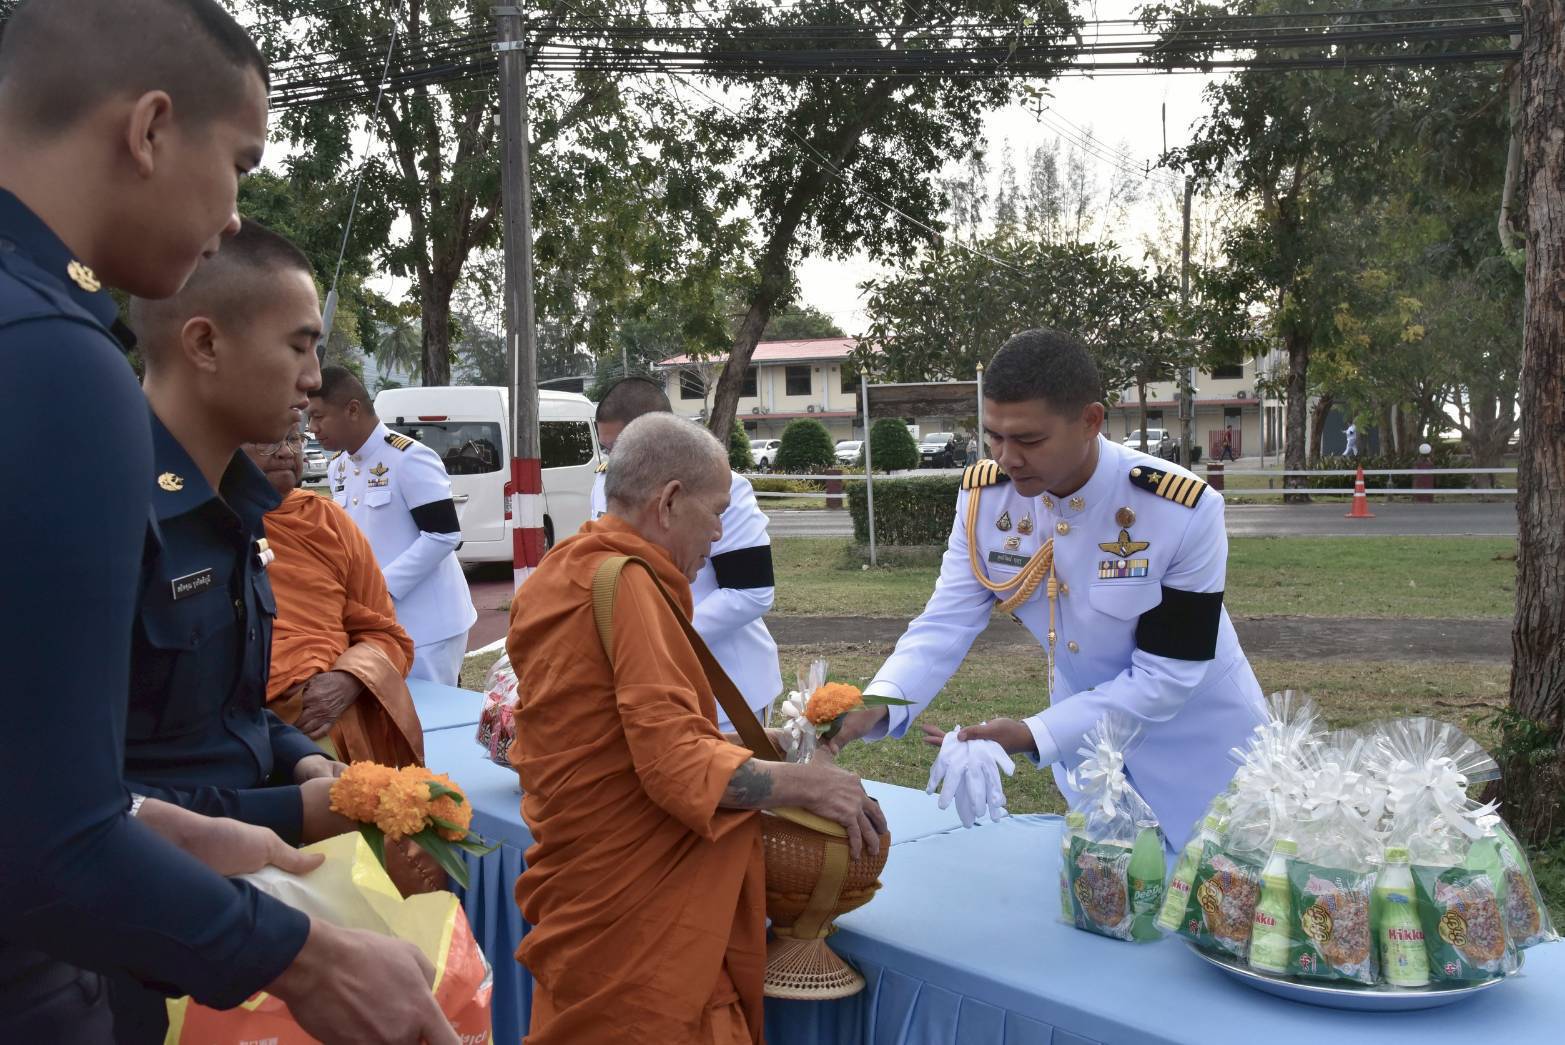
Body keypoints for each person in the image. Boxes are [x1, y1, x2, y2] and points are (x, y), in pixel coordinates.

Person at [0, 2, 456, 1043]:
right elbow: (45, 836)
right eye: (240, 164)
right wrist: (307, 957)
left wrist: (157, 820)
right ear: (150, 129)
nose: (233, 213)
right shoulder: (51, 358)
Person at [510, 413, 885, 1044]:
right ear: (669, 502)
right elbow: (675, 768)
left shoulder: (559, 569)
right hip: (636, 916)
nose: (717, 533)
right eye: (715, 513)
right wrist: (812, 786)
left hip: (590, 886)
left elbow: (620, 744)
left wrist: (772, 749)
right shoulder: (628, 585)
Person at [826, 330, 1267, 848]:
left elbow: (1169, 674)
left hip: (1205, 757)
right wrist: (878, 702)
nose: (1007, 457)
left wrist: (1035, 733)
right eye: (993, 436)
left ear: (1091, 421)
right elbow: (946, 620)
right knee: (1104, 886)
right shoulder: (986, 500)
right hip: (1093, 764)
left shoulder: (1178, 509)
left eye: (1029, 440)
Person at [589, 377, 783, 730]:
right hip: (641, 687)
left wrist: (653, 636)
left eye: (619, 446)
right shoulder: (605, 486)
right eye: (607, 449)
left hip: (725, 688)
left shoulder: (723, 490)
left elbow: (751, 591)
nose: (613, 460)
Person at [245, 426, 424, 768]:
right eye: (267, 440)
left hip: (336, 714)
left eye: (294, 439)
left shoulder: (328, 520)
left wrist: (351, 678)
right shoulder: (204, 524)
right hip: (243, 728)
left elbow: (386, 634)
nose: (285, 452)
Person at [308, 367, 477, 686]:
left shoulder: (409, 458)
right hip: (375, 625)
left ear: (352, 409)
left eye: (318, 416)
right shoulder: (339, 467)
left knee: (430, 713)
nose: (312, 428)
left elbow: (443, 535)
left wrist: (380, 587)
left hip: (427, 627)